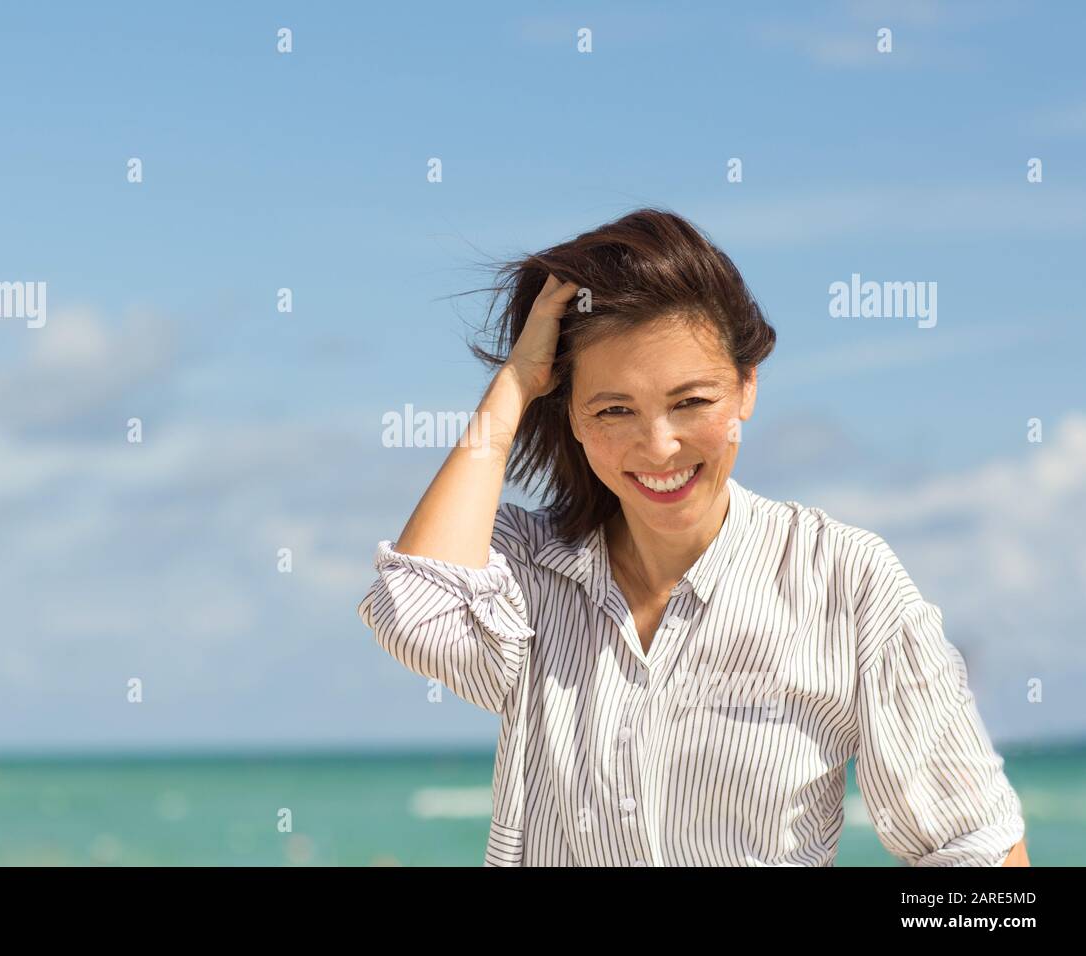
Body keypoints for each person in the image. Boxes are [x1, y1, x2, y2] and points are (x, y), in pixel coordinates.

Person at [356, 207, 1030, 867]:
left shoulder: (845, 581)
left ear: (745, 388)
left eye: (691, 402)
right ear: (573, 420)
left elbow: (975, 850)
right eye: (614, 409)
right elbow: (416, 611)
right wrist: (514, 385)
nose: (659, 446)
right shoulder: (527, 567)